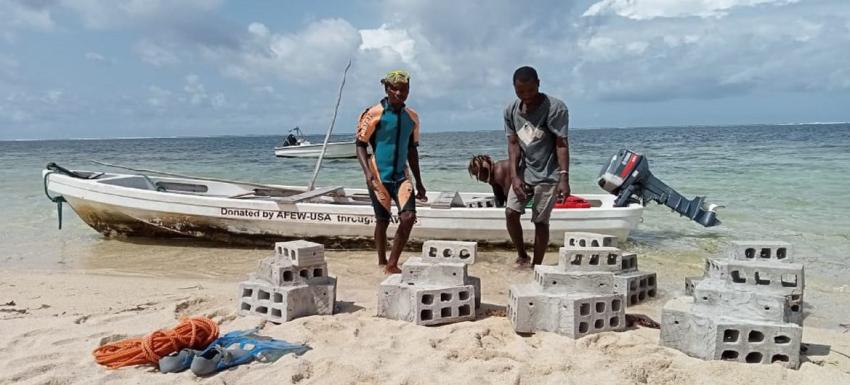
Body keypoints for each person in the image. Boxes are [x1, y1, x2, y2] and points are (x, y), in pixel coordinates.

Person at [355, 70, 427, 274]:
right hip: (378, 176)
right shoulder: (373, 113)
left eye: (404, 89)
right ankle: (381, 259)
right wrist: (367, 173)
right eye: (395, 89)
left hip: (402, 176)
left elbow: (412, 150)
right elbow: (360, 145)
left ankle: (392, 263)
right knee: (383, 221)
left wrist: (420, 183)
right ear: (386, 89)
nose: (399, 93)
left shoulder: (412, 117)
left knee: (409, 217)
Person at [503, 66, 570, 267]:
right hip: (524, 172)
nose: (526, 96)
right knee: (511, 213)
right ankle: (522, 255)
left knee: (540, 222)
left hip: (549, 174)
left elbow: (561, 144)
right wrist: (514, 177)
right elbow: (513, 145)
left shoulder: (556, 108)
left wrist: (564, 178)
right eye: (520, 92)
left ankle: (537, 266)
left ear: (538, 84)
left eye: (530, 91)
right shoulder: (511, 110)